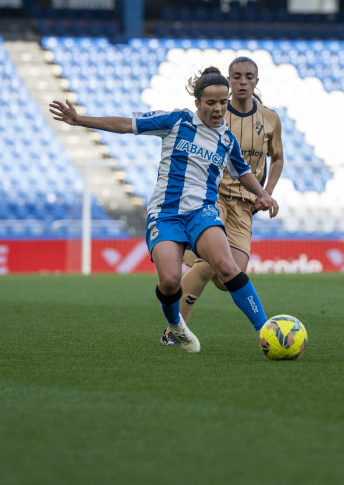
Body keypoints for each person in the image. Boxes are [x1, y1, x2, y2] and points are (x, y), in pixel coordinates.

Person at [49, 67, 279, 353]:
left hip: (203, 213)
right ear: (198, 104)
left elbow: (243, 171)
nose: (218, 108)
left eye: (223, 102)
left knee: (227, 267)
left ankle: (266, 331)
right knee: (169, 281)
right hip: (166, 213)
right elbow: (126, 124)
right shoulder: (176, 121)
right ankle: (176, 327)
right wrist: (80, 119)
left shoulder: (226, 139)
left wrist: (263, 194)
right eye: (211, 103)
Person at [161, 56, 285, 346]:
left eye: (249, 77)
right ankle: (174, 331)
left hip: (245, 205)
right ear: (229, 81)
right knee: (208, 261)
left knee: (229, 276)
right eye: (237, 76)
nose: (243, 82)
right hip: (211, 197)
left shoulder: (270, 118)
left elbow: (277, 158)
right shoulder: (215, 112)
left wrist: (265, 192)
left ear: (257, 81)